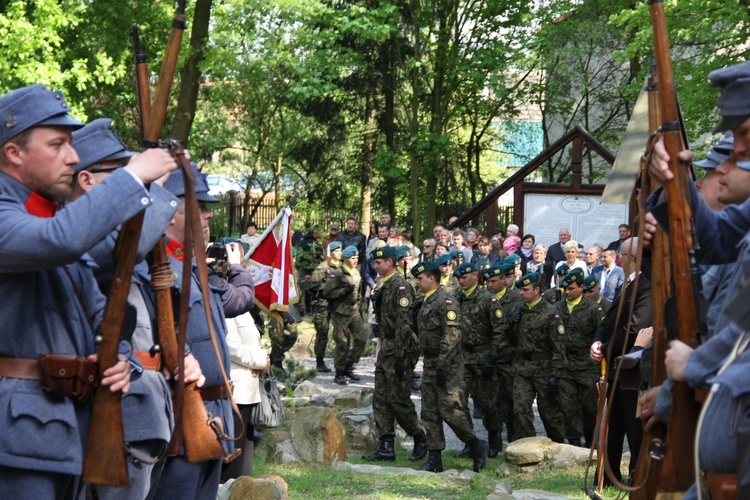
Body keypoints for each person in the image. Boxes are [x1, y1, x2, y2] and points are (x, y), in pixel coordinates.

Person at [0, 83, 174, 497]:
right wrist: (134, 177)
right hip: (16, 443)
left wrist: (121, 359)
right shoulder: (31, 224)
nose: (74, 156)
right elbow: (62, 239)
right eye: (58, 144)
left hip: (67, 433)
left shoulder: (45, 217)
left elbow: (98, 313)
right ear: (14, 152)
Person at [69, 118, 189, 499]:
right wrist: (150, 189)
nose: (130, 180)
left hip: (145, 409)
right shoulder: (74, 233)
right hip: (115, 406)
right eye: (120, 172)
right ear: (86, 180)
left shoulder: (124, 230)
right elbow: (120, 251)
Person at [410, 261, 488, 473]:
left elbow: (451, 337)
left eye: (420, 278)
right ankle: (435, 458)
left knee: (451, 411)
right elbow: (423, 336)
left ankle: (475, 444)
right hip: (430, 363)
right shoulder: (425, 302)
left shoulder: (446, 302)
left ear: (432, 279)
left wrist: (443, 367)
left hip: (448, 365)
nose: (417, 282)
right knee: (429, 412)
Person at [590, 237, 652, 485]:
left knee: (634, 428)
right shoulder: (627, 282)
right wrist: (597, 342)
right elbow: (609, 319)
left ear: (633, 258)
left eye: (622, 256)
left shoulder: (645, 284)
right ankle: (607, 476)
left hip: (633, 370)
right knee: (612, 427)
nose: (618, 260)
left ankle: (636, 479)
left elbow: (635, 326)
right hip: (614, 366)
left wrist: (605, 348)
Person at [363, 246, 425, 462]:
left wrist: (400, 356)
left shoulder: (401, 287)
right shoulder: (384, 285)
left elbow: (405, 324)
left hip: (401, 347)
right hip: (388, 346)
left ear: (391, 262)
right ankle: (386, 445)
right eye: (375, 263)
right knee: (380, 397)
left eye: (379, 262)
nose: (376, 266)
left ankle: (419, 437)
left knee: (398, 398)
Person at [512, 272, 566, 443]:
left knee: (549, 412)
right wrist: (512, 324)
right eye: (520, 290)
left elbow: (559, 346)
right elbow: (511, 340)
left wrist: (555, 375)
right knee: (520, 409)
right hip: (523, 367)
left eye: (526, 290)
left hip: (544, 368)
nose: (521, 293)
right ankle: (526, 446)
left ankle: (557, 445)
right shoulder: (518, 309)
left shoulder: (550, 313)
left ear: (537, 290)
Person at [555, 269, 605, 447]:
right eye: (565, 289)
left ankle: (591, 442)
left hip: (587, 365)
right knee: (567, 406)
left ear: (581, 287)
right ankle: (574, 442)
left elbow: (602, 334)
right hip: (565, 365)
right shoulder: (558, 308)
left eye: (571, 288)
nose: (567, 292)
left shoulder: (593, 309)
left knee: (589, 407)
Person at [484, 263, 521, 446]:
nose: (490, 285)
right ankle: (494, 436)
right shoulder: (483, 298)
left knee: (510, 398)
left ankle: (512, 433)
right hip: (487, 356)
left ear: (504, 280)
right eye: (488, 281)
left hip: (508, 357)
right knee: (489, 400)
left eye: (494, 281)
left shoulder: (515, 298)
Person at [322, 246, 367, 385]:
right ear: (345, 258)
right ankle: (339, 372)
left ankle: (349, 365)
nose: (355, 260)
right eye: (352, 258)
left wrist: (359, 308)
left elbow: (359, 294)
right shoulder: (338, 274)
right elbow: (327, 292)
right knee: (342, 342)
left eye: (356, 258)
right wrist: (343, 291)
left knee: (361, 339)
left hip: (354, 311)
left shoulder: (356, 273)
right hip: (340, 312)